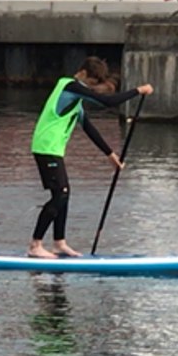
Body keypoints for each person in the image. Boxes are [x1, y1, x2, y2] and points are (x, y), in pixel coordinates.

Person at [28, 57, 154, 258]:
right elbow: (106, 102)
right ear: (84, 74)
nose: (92, 88)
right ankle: (35, 246)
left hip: (53, 149)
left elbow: (88, 127)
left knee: (63, 194)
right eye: (93, 83)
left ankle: (59, 243)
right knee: (60, 194)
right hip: (46, 148)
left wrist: (110, 154)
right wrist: (138, 91)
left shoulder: (74, 96)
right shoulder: (70, 86)